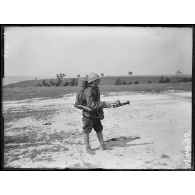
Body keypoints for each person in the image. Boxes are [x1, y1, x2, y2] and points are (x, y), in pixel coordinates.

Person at [82, 73, 112, 155]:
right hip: (88, 115)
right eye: (98, 80)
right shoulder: (89, 91)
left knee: (99, 129)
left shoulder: (96, 89)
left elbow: (97, 102)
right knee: (86, 131)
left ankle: (102, 145)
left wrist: (101, 112)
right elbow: (91, 104)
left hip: (96, 114)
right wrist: (104, 103)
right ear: (93, 81)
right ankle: (88, 148)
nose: (99, 81)